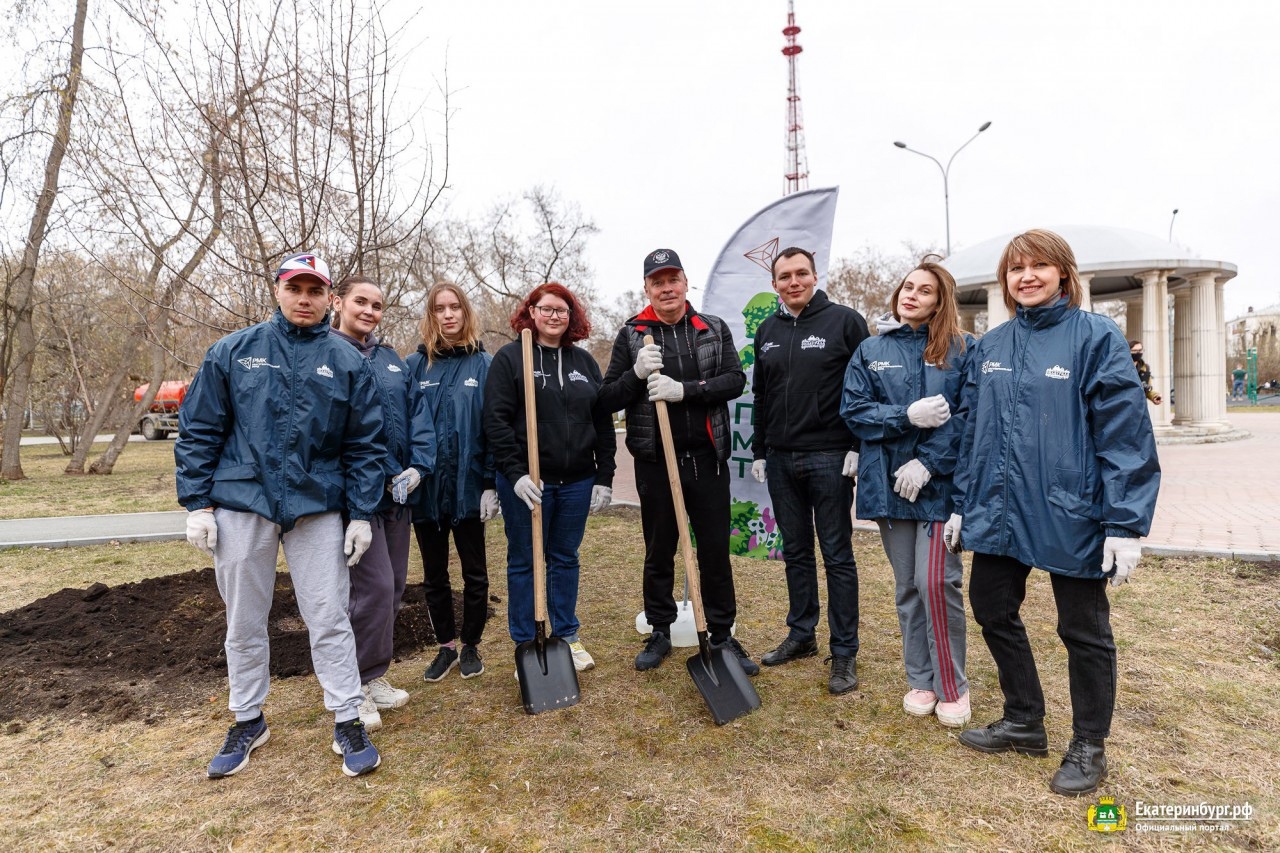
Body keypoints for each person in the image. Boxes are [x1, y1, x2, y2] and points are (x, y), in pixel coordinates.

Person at [945, 229, 1160, 797]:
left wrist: (1124, 522)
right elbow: (970, 432)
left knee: (1082, 630)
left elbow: (1124, 435)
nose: (1027, 276)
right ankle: (1023, 719)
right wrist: (963, 505)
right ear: (1005, 280)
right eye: (1016, 269)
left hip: (1072, 509)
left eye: (1040, 265)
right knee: (992, 607)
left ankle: (1089, 744)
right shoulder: (990, 346)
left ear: (1064, 273)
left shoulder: (1096, 337)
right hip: (998, 510)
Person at [176, 252, 386, 779]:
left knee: (328, 615)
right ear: (278, 291)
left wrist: (361, 512)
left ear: (329, 299)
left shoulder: (347, 362)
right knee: (244, 620)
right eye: (296, 289)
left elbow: (365, 444)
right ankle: (247, 718)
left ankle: (346, 715)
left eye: (316, 291)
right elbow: (200, 430)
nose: (305, 299)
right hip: (243, 502)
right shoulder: (233, 351)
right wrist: (198, 503)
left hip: (317, 505)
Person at [598, 249, 758, 676]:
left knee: (714, 552)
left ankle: (722, 634)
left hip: (707, 460)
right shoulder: (633, 334)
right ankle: (661, 630)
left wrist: (684, 389)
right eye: (657, 282)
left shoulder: (711, 328)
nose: (666, 288)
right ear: (647, 288)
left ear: (686, 283)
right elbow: (606, 397)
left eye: (673, 279)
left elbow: (734, 380)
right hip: (655, 462)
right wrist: (634, 374)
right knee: (659, 550)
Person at [841, 259, 972, 723]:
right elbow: (854, 412)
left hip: (940, 490)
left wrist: (929, 462)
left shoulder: (962, 349)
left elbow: (970, 417)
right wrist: (904, 416)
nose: (912, 295)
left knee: (936, 582)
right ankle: (921, 678)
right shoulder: (872, 349)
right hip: (888, 487)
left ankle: (952, 685)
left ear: (941, 302)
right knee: (906, 588)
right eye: (908, 287)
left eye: (926, 291)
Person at [749, 246, 869, 694]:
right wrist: (760, 450)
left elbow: (867, 387)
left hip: (830, 457)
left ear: (815, 276)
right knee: (796, 552)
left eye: (802, 273)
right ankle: (801, 635)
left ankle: (844, 653)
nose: (793, 282)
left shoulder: (845, 322)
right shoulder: (767, 330)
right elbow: (761, 396)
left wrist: (857, 447)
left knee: (837, 555)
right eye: (785, 276)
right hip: (781, 460)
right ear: (775, 284)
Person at [483, 282, 616, 671]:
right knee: (524, 558)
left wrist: (604, 476)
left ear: (571, 316)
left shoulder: (585, 363)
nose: (554, 316)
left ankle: (567, 635)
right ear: (532, 312)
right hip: (527, 484)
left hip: (576, 480)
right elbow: (496, 421)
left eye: (562, 310)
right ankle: (526, 640)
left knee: (564, 558)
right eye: (546, 309)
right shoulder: (511, 358)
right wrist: (515, 473)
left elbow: (602, 421)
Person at [329, 276, 436, 730]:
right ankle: (350, 687)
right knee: (369, 592)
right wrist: (388, 469)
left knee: (391, 591)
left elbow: (419, 416)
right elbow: (343, 431)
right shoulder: (326, 354)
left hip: (398, 497)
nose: (370, 311)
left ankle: (372, 677)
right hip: (357, 495)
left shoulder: (392, 359)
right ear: (338, 303)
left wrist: (419, 466)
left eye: (377, 304)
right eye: (360, 302)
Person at [406, 282, 499, 682]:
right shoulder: (414, 367)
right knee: (434, 575)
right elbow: (404, 426)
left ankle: (471, 644)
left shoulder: (484, 365)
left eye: (454, 307)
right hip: (426, 490)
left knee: (475, 573)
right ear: (431, 316)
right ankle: (445, 646)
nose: (448, 315)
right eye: (440, 309)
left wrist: (491, 482)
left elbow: (496, 427)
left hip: (468, 489)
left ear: (465, 313)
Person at [1128, 340, 1162, 404]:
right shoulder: (1121, 368)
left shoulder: (1145, 368)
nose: (1138, 353)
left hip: (1140, 405)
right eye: (1134, 351)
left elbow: (1147, 388)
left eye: (1140, 350)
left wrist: (1154, 396)